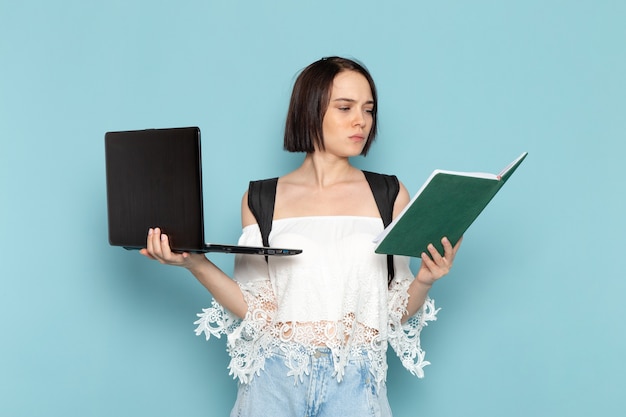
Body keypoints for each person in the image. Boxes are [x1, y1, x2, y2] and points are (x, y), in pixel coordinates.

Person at [141, 56, 462, 417]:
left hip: (356, 385)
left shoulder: (389, 195)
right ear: (310, 111)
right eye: (345, 107)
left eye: (368, 110)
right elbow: (257, 309)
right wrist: (195, 264)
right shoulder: (261, 199)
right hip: (272, 385)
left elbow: (391, 312)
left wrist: (425, 280)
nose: (361, 121)